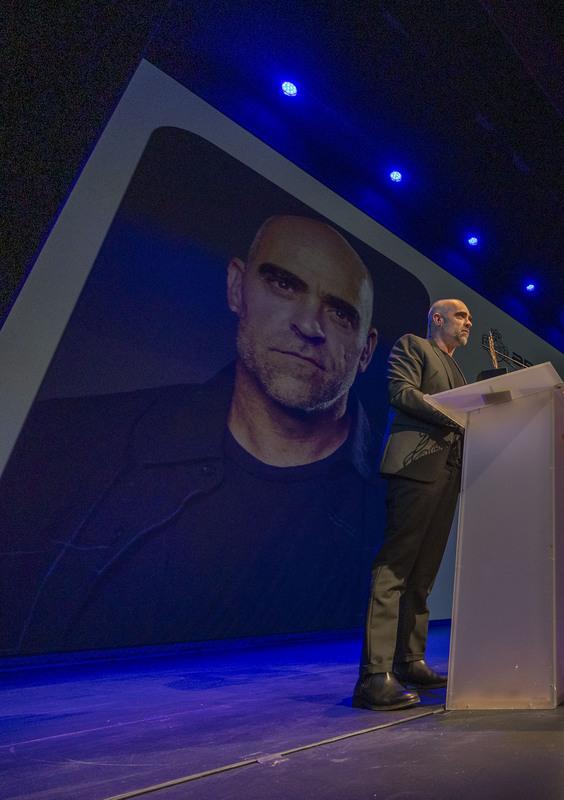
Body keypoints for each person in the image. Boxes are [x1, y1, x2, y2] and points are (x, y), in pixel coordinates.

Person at [0, 215, 382, 655]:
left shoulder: (398, 493)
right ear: (237, 288)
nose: (310, 326)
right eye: (284, 285)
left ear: (366, 349)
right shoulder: (69, 445)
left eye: (339, 312)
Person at [353, 299, 472, 711]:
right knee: (396, 566)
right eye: (461, 316)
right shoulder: (413, 346)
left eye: (470, 318)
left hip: (448, 472)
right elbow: (401, 392)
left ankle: (409, 661)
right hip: (414, 465)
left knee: (423, 574)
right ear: (437, 318)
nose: (468, 322)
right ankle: (373, 676)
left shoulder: (457, 370)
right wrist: (458, 417)